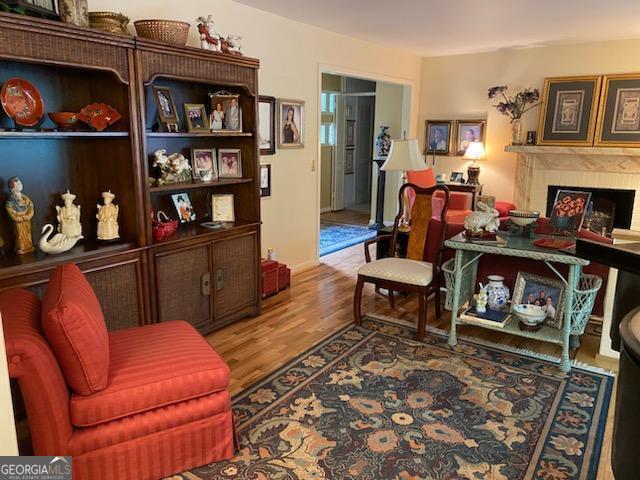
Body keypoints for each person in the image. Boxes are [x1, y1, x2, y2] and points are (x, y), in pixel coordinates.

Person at [5, 176, 34, 254]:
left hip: (26, 219)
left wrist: (28, 215)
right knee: (20, 234)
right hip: (19, 221)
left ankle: (29, 246)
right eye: (17, 184)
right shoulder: (10, 201)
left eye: (20, 183)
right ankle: (21, 247)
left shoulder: (26, 199)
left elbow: (31, 207)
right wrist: (17, 217)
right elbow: (10, 210)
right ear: (12, 188)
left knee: (28, 234)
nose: (20, 185)